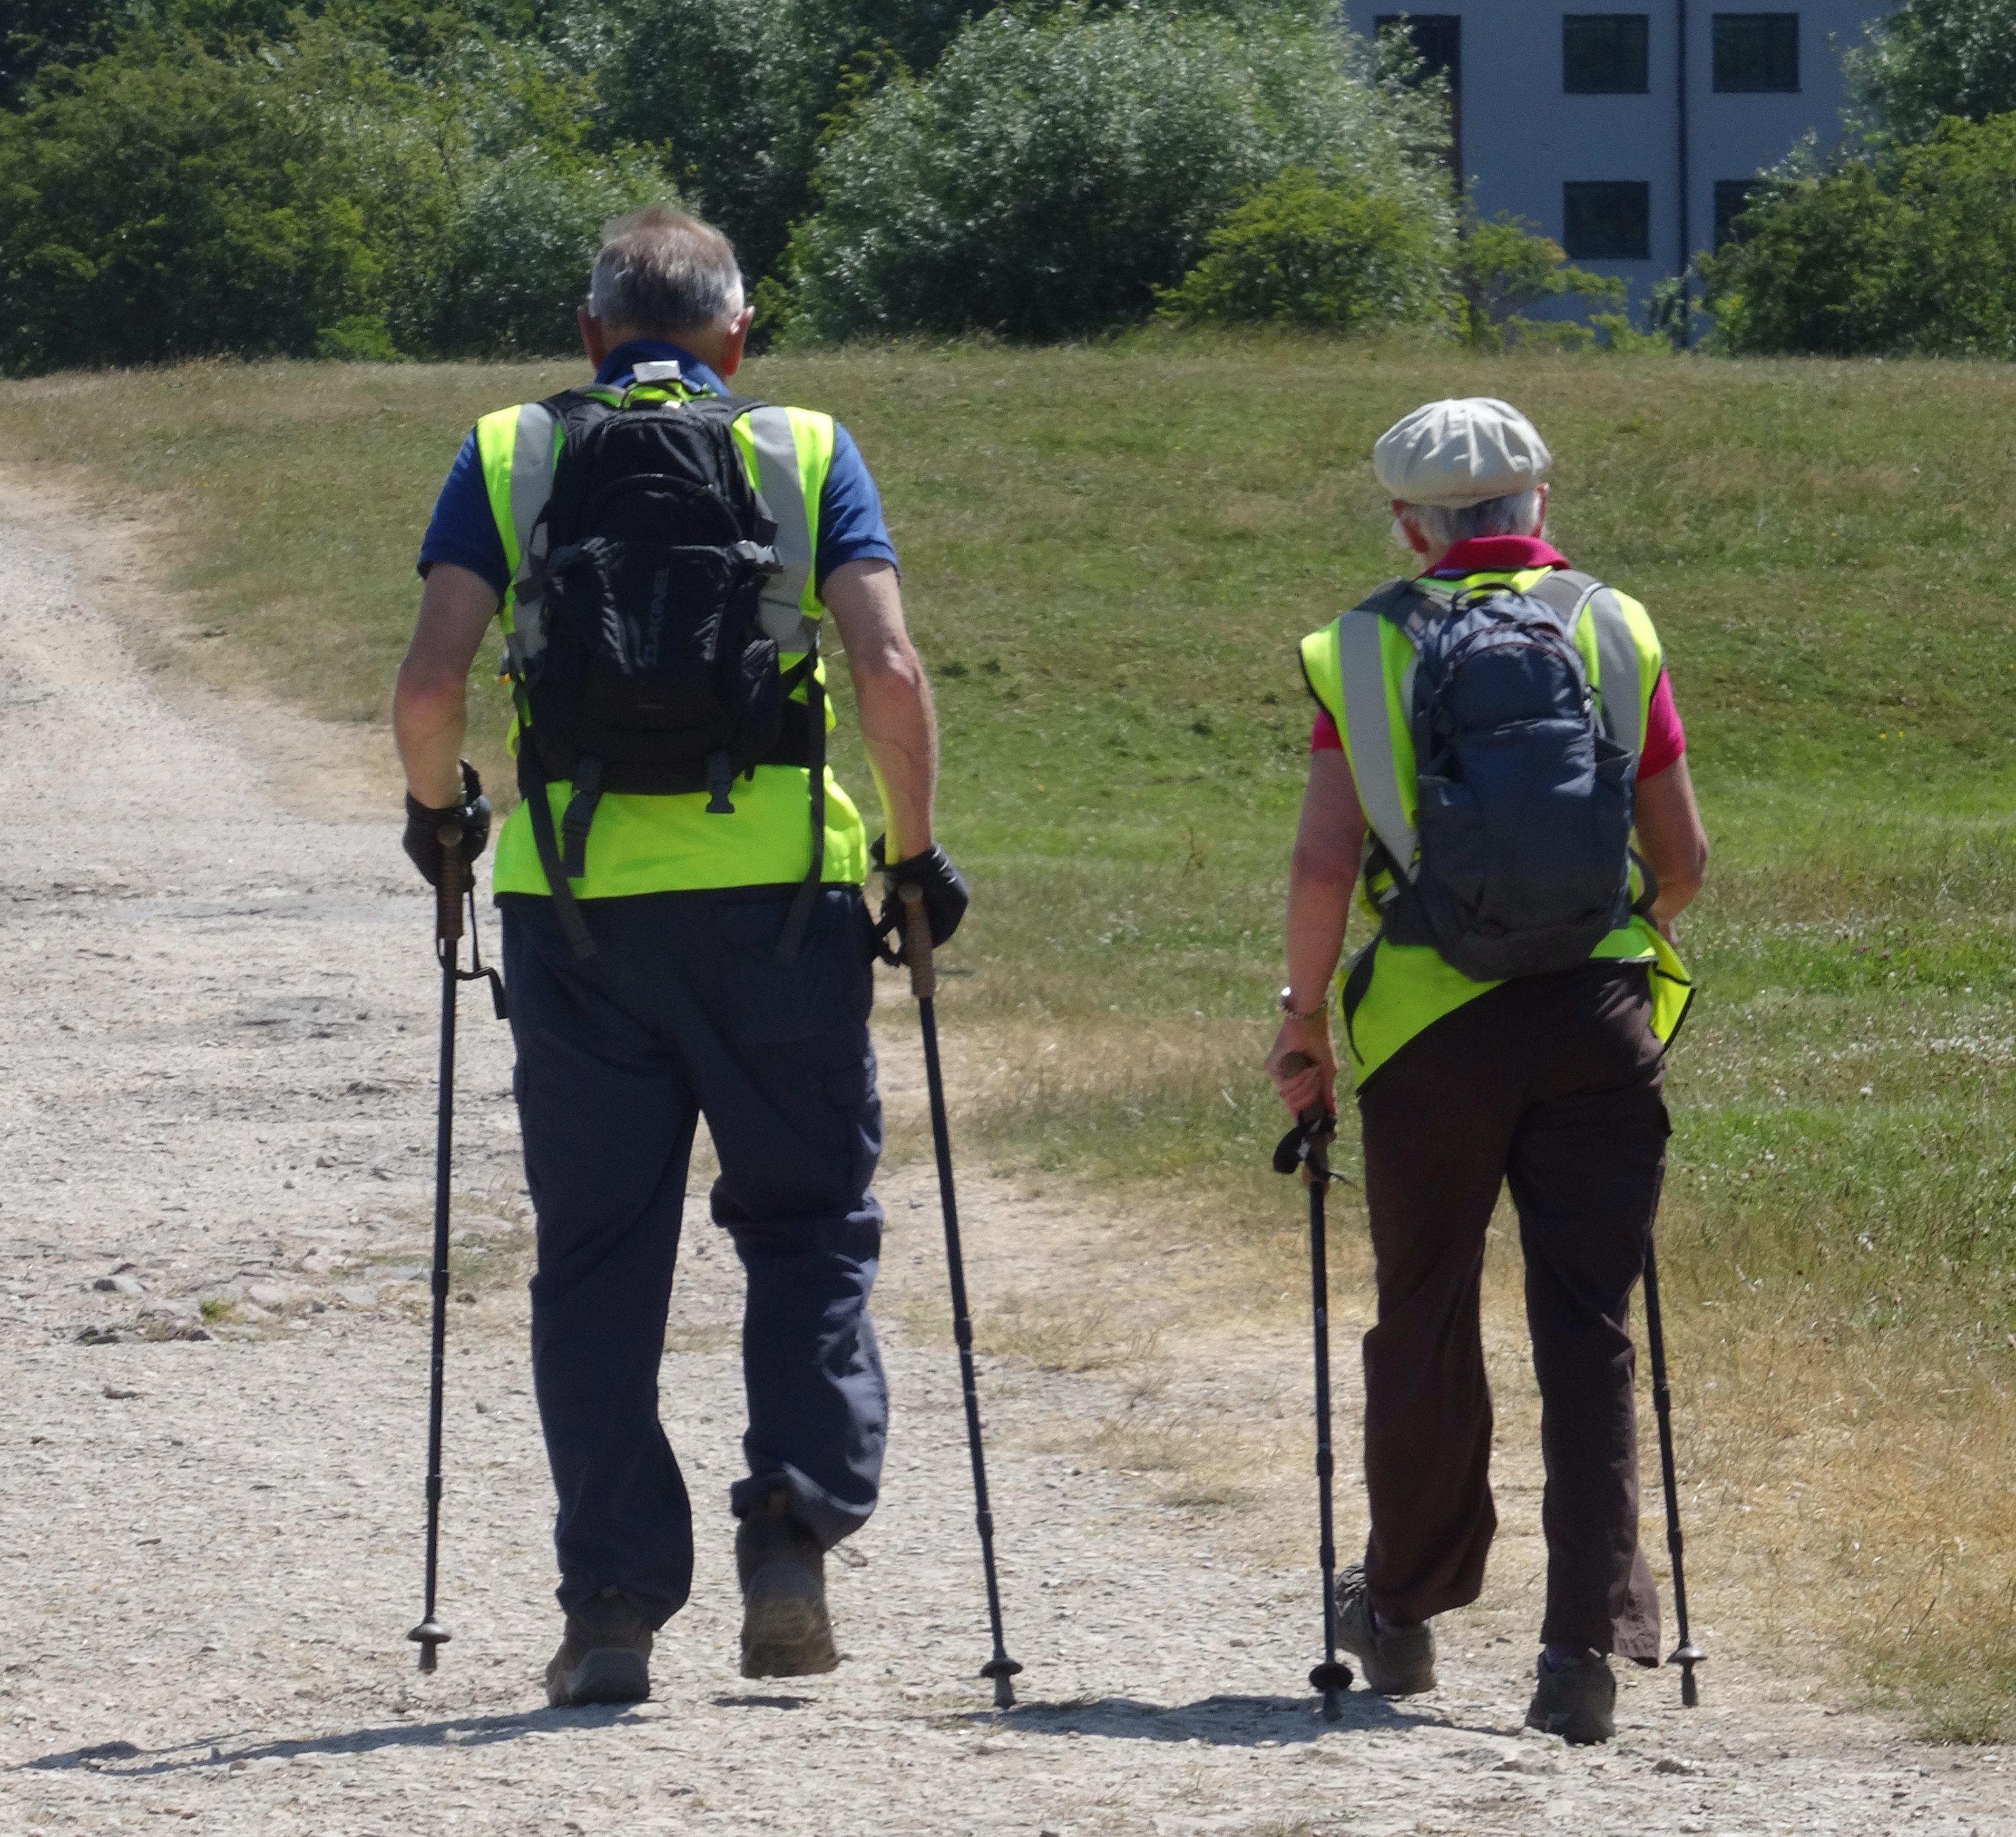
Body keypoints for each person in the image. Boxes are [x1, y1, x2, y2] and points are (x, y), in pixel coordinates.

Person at [393, 207, 966, 1706]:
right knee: (808, 1225)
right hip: (780, 902)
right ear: (737, 334)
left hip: (576, 912)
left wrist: (443, 820)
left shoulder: (513, 451)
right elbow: (890, 670)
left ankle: (613, 1609)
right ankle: (791, 1529)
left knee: (596, 1261)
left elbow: (430, 682)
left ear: (591, 334)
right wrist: (911, 859)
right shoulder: (807, 448)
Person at [1264, 397, 1708, 1744]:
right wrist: (1601, 957)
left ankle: (1399, 1610)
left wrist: (1300, 1027)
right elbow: (1680, 858)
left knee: (1424, 1316)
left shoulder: (1355, 645)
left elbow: (1325, 863)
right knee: (1586, 1326)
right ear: (1540, 500)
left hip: (1423, 1033)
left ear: (1406, 522)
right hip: (1595, 1021)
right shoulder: (1613, 625)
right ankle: (1580, 1650)